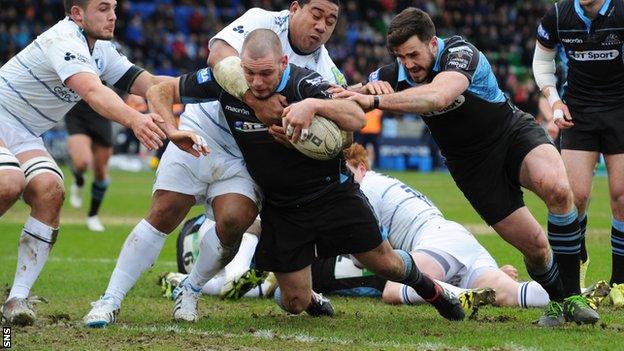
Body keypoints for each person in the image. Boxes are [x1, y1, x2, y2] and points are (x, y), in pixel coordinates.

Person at [147, 28, 465, 323]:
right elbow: (161, 90)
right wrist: (172, 131)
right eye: (250, 72)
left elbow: (356, 118)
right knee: (294, 302)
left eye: (267, 73)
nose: (257, 82)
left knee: (387, 264)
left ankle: (433, 291)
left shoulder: (304, 83)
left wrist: (312, 106)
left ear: (284, 62)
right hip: (283, 209)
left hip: (332, 195)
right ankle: (310, 296)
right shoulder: (228, 82)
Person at [82, 0, 350, 328]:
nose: (322, 25)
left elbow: (347, 128)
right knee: (165, 210)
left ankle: (190, 288)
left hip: (246, 153)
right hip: (201, 130)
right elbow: (217, 58)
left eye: (331, 20)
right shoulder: (260, 21)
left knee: (236, 221)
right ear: (295, 9)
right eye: (316, 14)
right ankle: (110, 299)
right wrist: (177, 129)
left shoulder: (325, 70)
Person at [336, 7, 597, 326]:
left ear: (433, 44)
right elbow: (352, 97)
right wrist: (340, 97)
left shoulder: (460, 53)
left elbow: (439, 96)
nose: (408, 64)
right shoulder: (395, 75)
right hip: (472, 168)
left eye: (413, 54)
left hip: (510, 134)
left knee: (557, 188)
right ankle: (559, 302)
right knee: (537, 248)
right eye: (401, 57)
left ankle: (572, 296)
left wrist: (375, 101)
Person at [0, 0, 204, 326]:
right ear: (77, 13)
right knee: (9, 182)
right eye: (103, 8)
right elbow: (94, 92)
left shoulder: (101, 51)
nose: (113, 15)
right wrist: (136, 120)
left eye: (114, 7)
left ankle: (15, 301)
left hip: (24, 132)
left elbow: (151, 84)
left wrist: (210, 86)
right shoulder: (63, 39)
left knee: (50, 191)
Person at [163, 143, 551, 309]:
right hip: (453, 240)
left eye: (343, 170)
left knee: (394, 289)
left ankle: (453, 295)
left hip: (433, 243)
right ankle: (572, 293)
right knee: (508, 293)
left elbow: (355, 245)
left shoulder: (361, 192)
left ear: (360, 168)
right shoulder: (374, 186)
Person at [533, 0, 624, 302]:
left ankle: (620, 283)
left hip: (620, 111)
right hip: (578, 112)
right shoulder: (558, 16)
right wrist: (555, 100)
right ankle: (578, 265)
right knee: (576, 196)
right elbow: (543, 62)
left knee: (621, 196)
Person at [65, 101, 113, 232]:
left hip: (101, 111)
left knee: (100, 172)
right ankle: (79, 181)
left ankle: (93, 215)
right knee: (81, 163)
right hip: (76, 112)